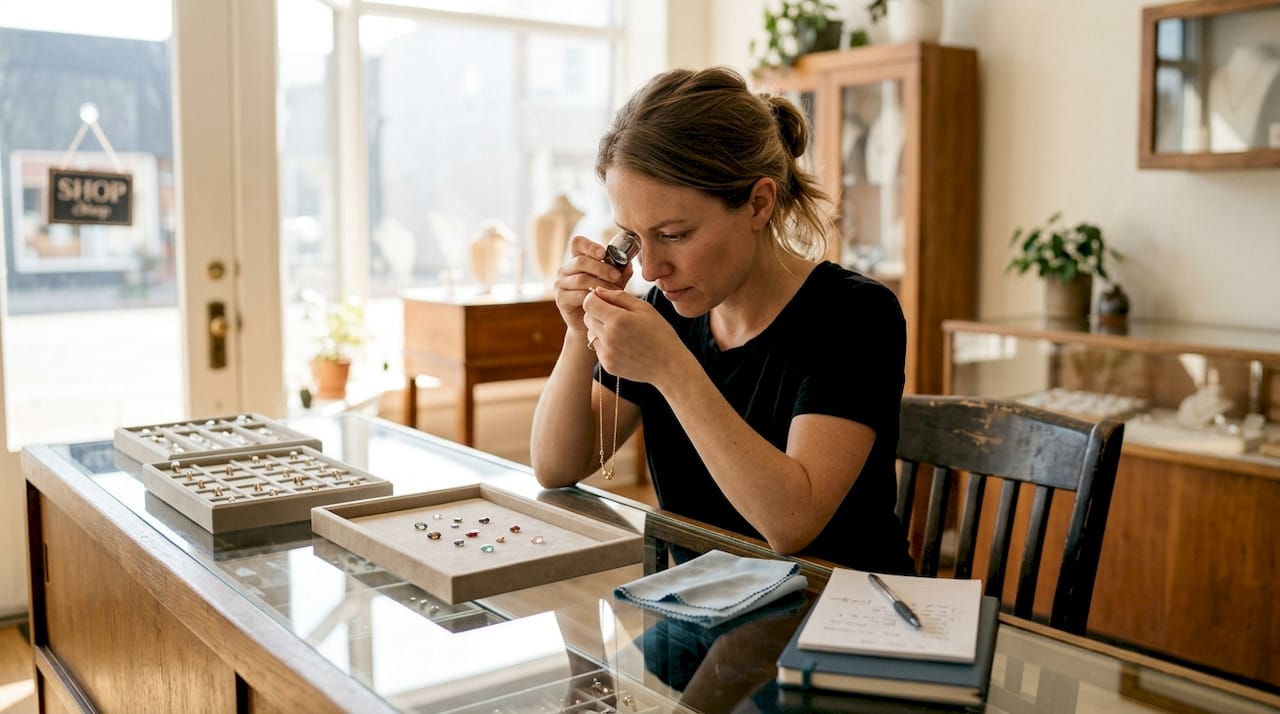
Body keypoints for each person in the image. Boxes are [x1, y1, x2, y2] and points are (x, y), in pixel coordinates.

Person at [530, 66, 914, 575]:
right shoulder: (667, 311)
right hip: (700, 617)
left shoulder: (854, 315)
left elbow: (792, 523)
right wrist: (578, 334)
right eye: (635, 237)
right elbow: (556, 468)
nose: (649, 267)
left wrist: (671, 369)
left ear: (758, 203)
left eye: (675, 234)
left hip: (838, 623)